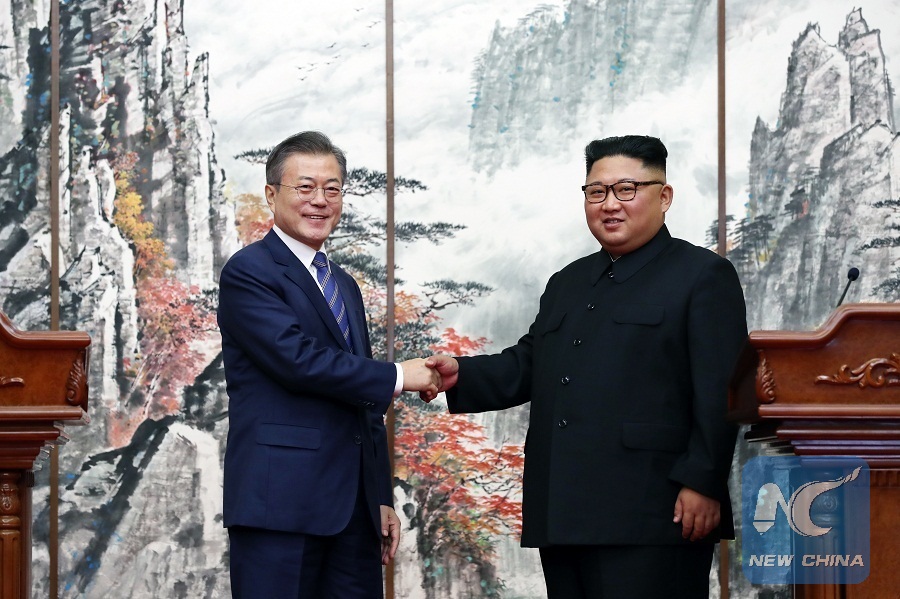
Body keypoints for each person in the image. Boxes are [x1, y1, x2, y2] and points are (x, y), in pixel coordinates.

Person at [424, 135, 747, 598]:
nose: (610, 204)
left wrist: (703, 482)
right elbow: (531, 362)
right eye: (597, 192)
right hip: (563, 511)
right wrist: (461, 372)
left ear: (664, 196)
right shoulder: (567, 281)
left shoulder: (702, 275)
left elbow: (721, 390)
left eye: (626, 189)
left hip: (654, 512)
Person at [218, 131, 440, 598]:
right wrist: (399, 375)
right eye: (305, 187)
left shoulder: (344, 285)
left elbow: (362, 400)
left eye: (332, 188)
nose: (320, 200)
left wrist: (379, 495)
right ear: (271, 194)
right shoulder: (249, 271)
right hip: (280, 506)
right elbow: (297, 360)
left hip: (354, 513)